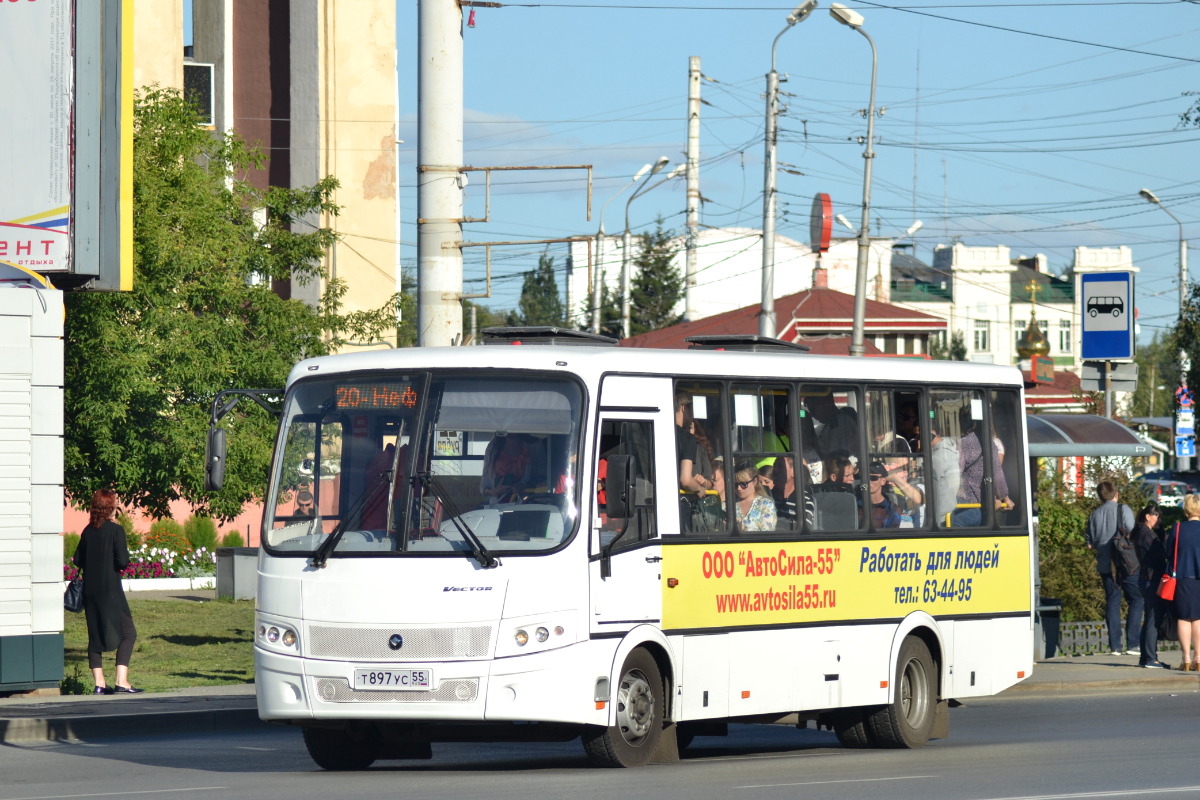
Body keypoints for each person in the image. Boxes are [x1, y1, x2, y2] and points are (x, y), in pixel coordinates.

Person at [72, 490, 143, 694]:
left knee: (95, 635)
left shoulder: (88, 531)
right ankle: (122, 681)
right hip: (111, 591)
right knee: (129, 633)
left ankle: (99, 683)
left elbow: (77, 560)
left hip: (91, 591)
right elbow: (122, 562)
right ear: (110, 507)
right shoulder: (115, 530)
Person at [1085, 479, 1140, 657]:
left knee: (1113, 602)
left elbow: (1090, 544)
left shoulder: (1094, 515)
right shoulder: (1123, 509)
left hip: (1106, 565)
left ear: (1100, 496)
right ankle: (1133, 644)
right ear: (1116, 493)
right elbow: (1133, 532)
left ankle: (1115, 646)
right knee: (1136, 600)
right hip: (1127, 564)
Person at [1132, 503, 1168, 669]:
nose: (1158, 520)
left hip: (1145, 578)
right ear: (1148, 516)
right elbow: (1160, 556)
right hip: (1152, 579)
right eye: (1156, 516)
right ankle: (1150, 658)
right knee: (1154, 619)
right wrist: (1162, 538)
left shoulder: (1141, 532)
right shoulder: (1146, 534)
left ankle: (1146, 657)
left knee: (1149, 619)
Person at [1167, 493, 1200, 671]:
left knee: (1183, 618)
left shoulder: (1178, 528)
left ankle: (1186, 658)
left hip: (1182, 578)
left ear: (1186, 508)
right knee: (1198, 618)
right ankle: (1199, 657)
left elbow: (1169, 553)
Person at [674, 393, 713, 496]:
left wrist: (704, 482)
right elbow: (686, 480)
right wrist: (699, 489)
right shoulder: (687, 438)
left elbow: (709, 481)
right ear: (684, 408)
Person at [481, 433, 533, 503]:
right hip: (497, 505)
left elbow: (538, 478)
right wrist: (494, 492)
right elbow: (483, 487)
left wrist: (522, 485)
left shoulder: (530, 446)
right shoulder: (493, 447)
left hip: (521, 503)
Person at [733, 462, 776, 532]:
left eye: (743, 484)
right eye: (736, 484)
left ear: (755, 481)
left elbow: (767, 534)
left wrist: (742, 528)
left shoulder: (766, 505)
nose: (739, 488)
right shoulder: (730, 503)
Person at [866, 461, 901, 529]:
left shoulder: (892, 509)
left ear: (883, 481)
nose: (868, 481)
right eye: (865, 477)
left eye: (873, 478)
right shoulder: (856, 504)